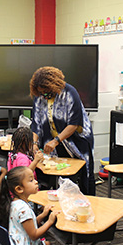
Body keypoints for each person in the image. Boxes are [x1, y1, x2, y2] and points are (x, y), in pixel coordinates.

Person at [29, 66, 95, 195]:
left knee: (83, 174)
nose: (44, 95)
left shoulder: (70, 93)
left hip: (76, 140)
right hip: (53, 141)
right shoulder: (39, 96)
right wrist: (34, 143)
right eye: (41, 93)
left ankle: (86, 203)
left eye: (46, 91)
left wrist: (56, 141)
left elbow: (74, 124)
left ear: (53, 86)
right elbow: (36, 123)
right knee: (54, 175)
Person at [0, 166, 60, 245]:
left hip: (18, 244)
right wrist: (50, 221)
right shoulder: (23, 209)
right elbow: (34, 235)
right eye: (31, 180)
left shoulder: (15, 203)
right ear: (19, 189)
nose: (36, 182)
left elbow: (29, 224)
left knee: (48, 244)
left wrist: (43, 215)